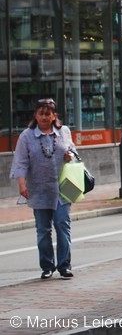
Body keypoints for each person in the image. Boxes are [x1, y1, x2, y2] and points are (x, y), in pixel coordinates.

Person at [9, 98, 76, 279]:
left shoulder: (64, 132)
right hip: (38, 189)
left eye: (48, 113)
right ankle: (47, 266)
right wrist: (22, 184)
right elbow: (21, 162)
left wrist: (70, 156)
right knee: (43, 230)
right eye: (41, 113)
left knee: (63, 225)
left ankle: (65, 265)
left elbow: (74, 153)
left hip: (63, 187)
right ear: (35, 115)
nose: (44, 117)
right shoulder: (26, 136)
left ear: (54, 116)